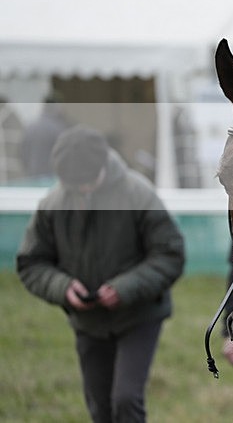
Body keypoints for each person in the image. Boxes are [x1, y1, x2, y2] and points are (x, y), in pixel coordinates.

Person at [16, 125, 186, 423]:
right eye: (73, 186)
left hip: (139, 316)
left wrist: (124, 288)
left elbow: (170, 254)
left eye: (87, 183)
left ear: (103, 166)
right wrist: (63, 287)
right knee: (100, 409)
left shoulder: (138, 193)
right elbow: (31, 262)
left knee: (125, 400)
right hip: (88, 322)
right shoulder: (53, 204)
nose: (81, 190)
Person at [19, 92, 71, 179]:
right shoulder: (59, 128)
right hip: (52, 179)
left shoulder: (29, 127)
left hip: (31, 177)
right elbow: (65, 156)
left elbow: (22, 154)